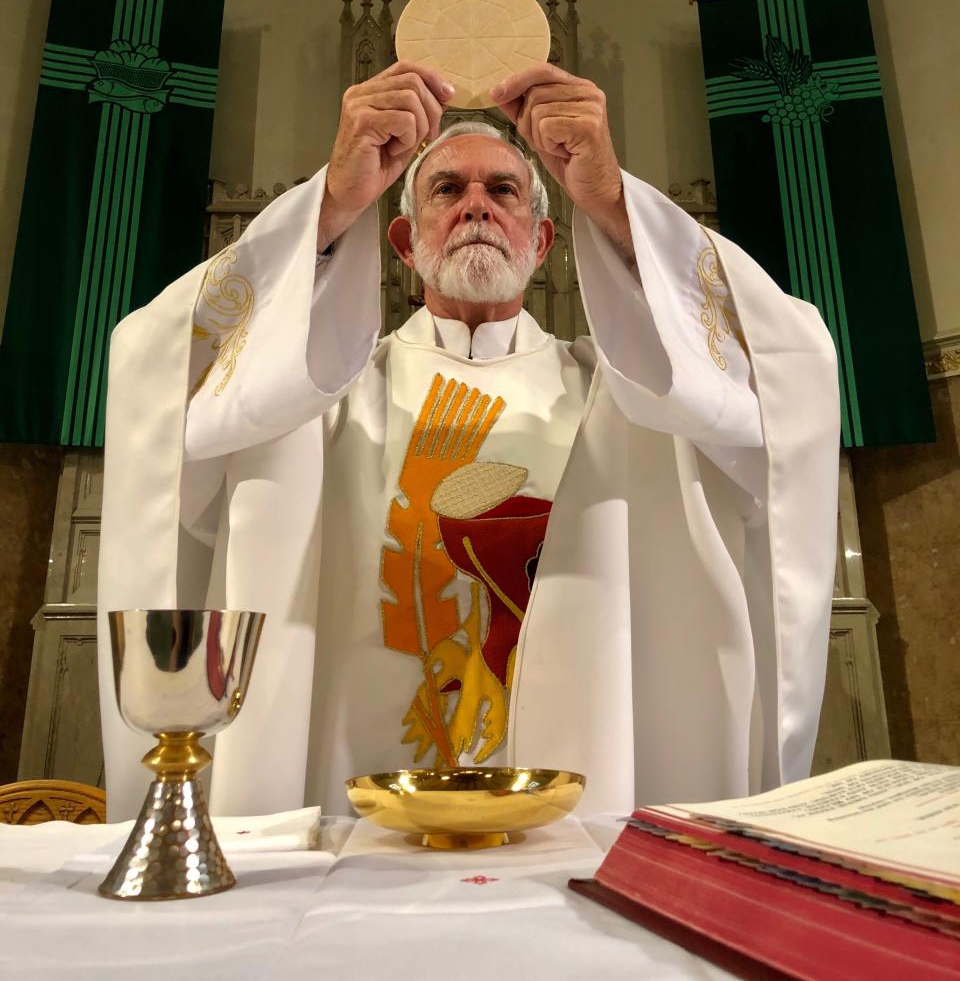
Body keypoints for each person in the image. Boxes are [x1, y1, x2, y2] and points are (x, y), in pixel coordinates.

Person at [98, 61, 840, 822]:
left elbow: (788, 370)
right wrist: (328, 205)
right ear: (403, 241)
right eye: (447, 190)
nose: (476, 208)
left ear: (544, 239)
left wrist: (616, 204)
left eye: (504, 191)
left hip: (588, 816)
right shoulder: (313, 398)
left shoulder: (631, 397)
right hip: (355, 816)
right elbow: (158, 369)